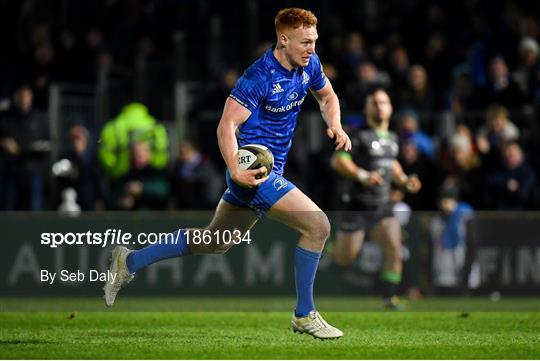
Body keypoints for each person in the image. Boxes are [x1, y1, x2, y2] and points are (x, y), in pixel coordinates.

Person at [104, 8, 350, 339]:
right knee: (318, 226)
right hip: (253, 170)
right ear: (283, 39)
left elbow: (328, 96)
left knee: (214, 242)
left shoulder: (309, 65)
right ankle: (304, 314)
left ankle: (128, 262)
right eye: (306, 42)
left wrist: (334, 123)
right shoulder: (259, 76)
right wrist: (235, 168)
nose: (312, 49)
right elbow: (226, 126)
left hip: (263, 171)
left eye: (315, 42)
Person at [330, 88, 421, 309]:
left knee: (394, 247)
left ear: (390, 109)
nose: (380, 106)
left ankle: (389, 298)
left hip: (382, 207)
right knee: (345, 257)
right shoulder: (358, 135)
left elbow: (392, 164)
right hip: (357, 206)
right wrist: (362, 175)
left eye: (384, 102)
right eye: (375, 103)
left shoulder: (392, 138)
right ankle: (328, 246)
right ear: (367, 108)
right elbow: (338, 161)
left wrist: (405, 180)